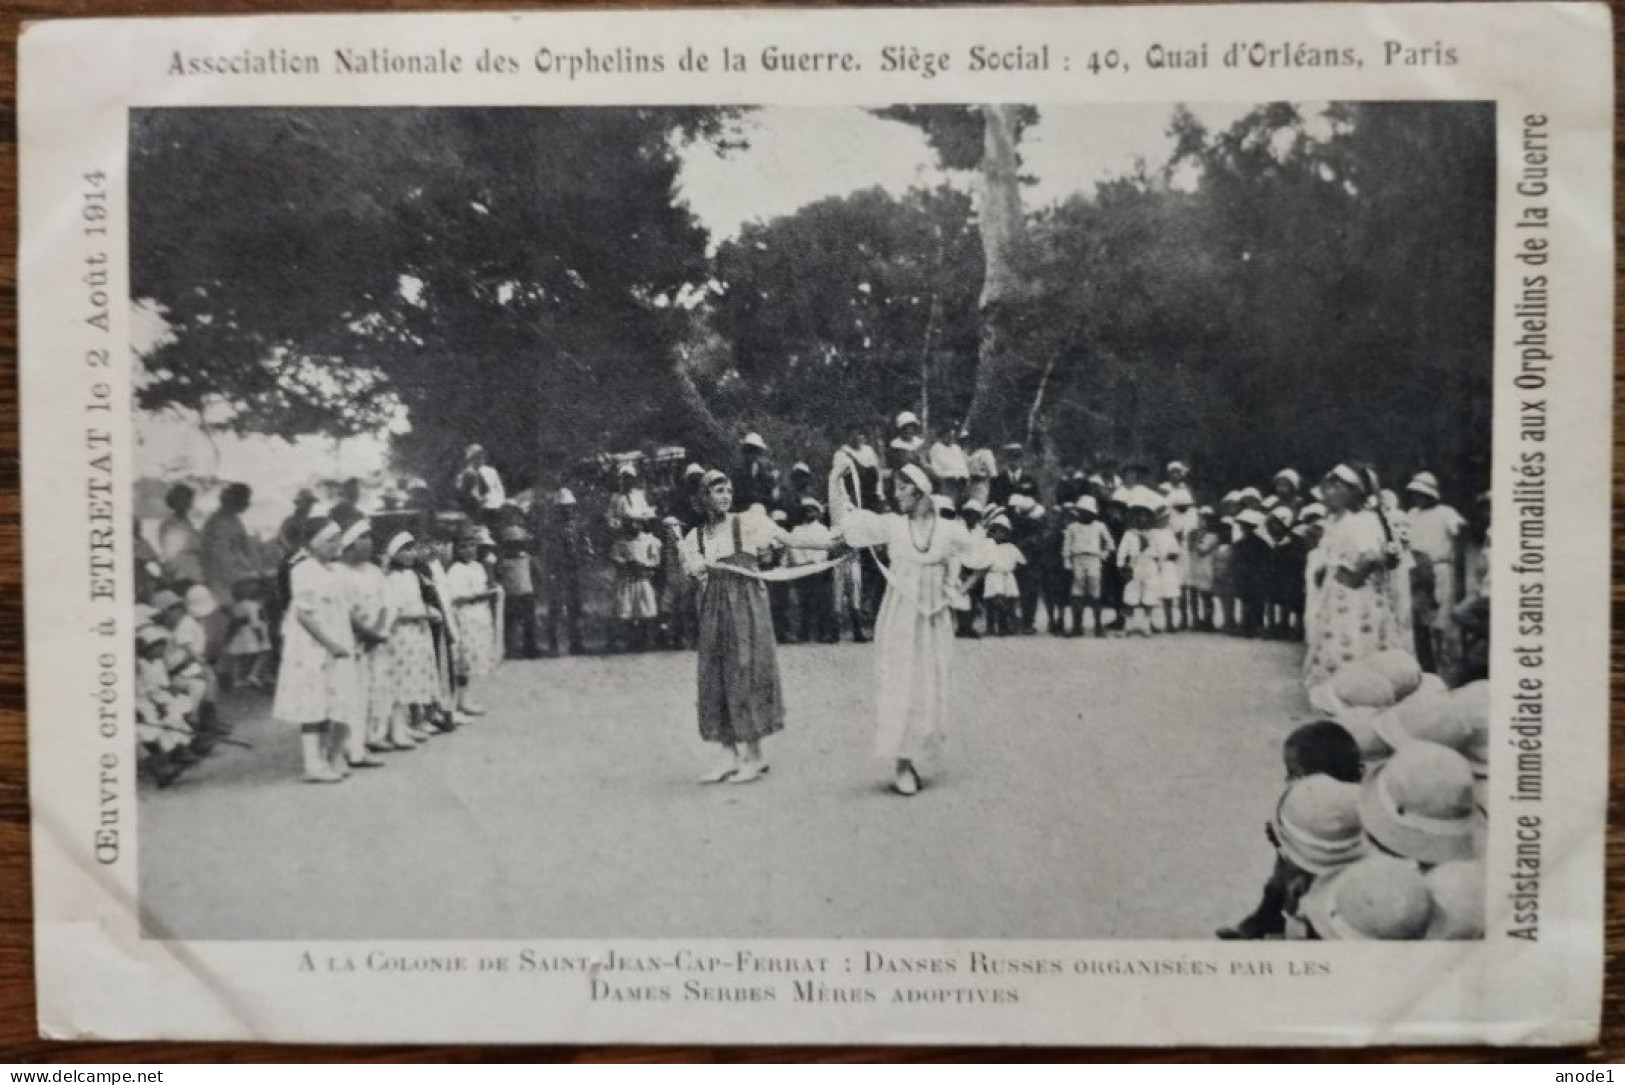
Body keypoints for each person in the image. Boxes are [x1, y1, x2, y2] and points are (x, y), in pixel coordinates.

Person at [832, 463, 974, 796]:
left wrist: (958, 590)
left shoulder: (949, 530)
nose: (894, 495)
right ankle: (902, 763)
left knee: (928, 683)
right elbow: (845, 524)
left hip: (933, 620)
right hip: (899, 618)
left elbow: (983, 557)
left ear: (919, 490)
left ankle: (915, 754)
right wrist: (834, 479)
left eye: (900, 487)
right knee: (900, 683)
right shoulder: (892, 526)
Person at [678, 471, 800, 785]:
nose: (725, 496)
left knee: (745, 670)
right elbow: (692, 573)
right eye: (718, 491)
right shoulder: (696, 537)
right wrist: (693, 567)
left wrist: (838, 540)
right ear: (704, 497)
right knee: (715, 675)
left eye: (728, 490)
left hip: (746, 606)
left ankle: (756, 755)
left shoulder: (747, 524)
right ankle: (729, 755)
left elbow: (789, 539)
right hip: (713, 609)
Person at [1304, 464, 1413, 700]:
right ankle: (1339, 690)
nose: (1329, 494)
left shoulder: (1362, 520)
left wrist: (1353, 577)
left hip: (1355, 597)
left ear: (1353, 492)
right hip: (1340, 592)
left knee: (1353, 638)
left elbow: (1372, 555)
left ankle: (1354, 693)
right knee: (1340, 638)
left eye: (1336, 488)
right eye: (1328, 488)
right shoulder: (1342, 520)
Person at [271, 519, 361, 783]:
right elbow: (304, 616)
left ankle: (330, 756)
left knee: (335, 700)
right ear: (315, 544)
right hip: (312, 646)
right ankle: (312, 763)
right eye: (330, 540)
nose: (337, 545)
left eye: (338, 539)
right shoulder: (303, 570)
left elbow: (343, 609)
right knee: (313, 703)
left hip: (336, 640)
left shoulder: (334, 571)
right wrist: (330, 645)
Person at [335, 520, 387, 769]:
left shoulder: (374, 571)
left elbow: (385, 603)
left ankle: (365, 741)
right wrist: (364, 633)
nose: (369, 544)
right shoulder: (338, 573)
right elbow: (343, 610)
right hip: (350, 640)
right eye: (362, 540)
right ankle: (349, 748)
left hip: (373, 640)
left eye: (370, 539)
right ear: (349, 544)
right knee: (349, 695)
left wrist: (377, 630)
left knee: (369, 691)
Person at [1405, 471, 1465, 670]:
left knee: (1440, 615)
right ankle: (1424, 656)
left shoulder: (1445, 512)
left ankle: (1441, 653)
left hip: (1439, 567)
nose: (1418, 498)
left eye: (1422, 494)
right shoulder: (1411, 514)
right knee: (1419, 613)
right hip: (1417, 570)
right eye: (1415, 493)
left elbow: (1459, 531)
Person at [382, 534, 438, 746]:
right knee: (402, 678)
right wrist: (421, 616)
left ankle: (414, 722)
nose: (411, 553)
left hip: (417, 632)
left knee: (417, 674)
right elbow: (395, 612)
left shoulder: (412, 576)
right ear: (394, 554)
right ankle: (399, 728)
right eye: (405, 549)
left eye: (412, 549)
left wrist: (425, 612)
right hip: (402, 633)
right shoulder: (393, 579)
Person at [449, 529, 500, 711]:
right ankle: (458, 700)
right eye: (464, 547)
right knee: (463, 661)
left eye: (472, 545)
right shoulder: (456, 570)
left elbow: (487, 586)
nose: (469, 550)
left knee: (471, 661)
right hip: (465, 617)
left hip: (479, 617)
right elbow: (456, 597)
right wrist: (477, 596)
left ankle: (465, 698)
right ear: (456, 549)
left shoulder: (478, 567)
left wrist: (490, 574)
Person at [543, 488, 590, 655]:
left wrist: (585, 557)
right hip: (558, 570)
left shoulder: (578, 526)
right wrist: (550, 570)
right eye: (563, 508)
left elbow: (586, 546)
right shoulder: (552, 529)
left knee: (575, 607)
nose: (566, 511)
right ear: (557, 510)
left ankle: (576, 642)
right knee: (556, 607)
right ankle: (554, 644)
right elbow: (548, 551)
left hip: (574, 569)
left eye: (569, 507)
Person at [787, 498, 838, 645]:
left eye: (812, 509)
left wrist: (815, 562)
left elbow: (825, 549)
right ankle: (803, 633)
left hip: (818, 570)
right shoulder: (797, 530)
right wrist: (802, 563)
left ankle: (823, 633)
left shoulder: (822, 530)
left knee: (821, 602)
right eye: (806, 510)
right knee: (804, 602)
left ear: (817, 513)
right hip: (802, 570)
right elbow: (793, 548)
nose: (808, 512)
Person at [1063, 496, 1113, 637]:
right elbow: (1066, 546)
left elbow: (1110, 544)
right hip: (1077, 559)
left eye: (1088, 512)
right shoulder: (1072, 527)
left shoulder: (1099, 526)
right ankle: (1077, 626)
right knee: (1076, 592)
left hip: (1093, 560)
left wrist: (1103, 555)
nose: (1085, 515)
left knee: (1095, 592)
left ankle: (1098, 626)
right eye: (1083, 512)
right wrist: (1067, 562)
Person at [201, 482, 258, 605]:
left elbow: (244, 550)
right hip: (221, 583)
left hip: (234, 576)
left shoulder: (233, 519)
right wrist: (249, 574)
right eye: (245, 499)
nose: (247, 503)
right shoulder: (219, 522)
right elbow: (222, 560)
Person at [610, 516, 661, 652]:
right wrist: (627, 564)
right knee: (627, 609)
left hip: (642, 579)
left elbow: (655, 560)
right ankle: (630, 640)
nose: (633, 525)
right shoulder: (621, 542)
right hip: (627, 580)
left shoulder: (649, 540)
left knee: (644, 609)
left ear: (641, 523)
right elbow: (616, 559)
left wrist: (644, 566)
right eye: (629, 522)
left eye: (636, 522)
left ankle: (644, 640)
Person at [496, 525, 540, 659]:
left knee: (530, 623)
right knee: (509, 623)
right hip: (510, 595)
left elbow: (536, 573)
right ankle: (510, 649)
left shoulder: (528, 558)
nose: (515, 548)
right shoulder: (503, 560)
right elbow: (498, 575)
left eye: (518, 544)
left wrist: (536, 589)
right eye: (511, 544)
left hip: (526, 594)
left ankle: (530, 648)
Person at [224, 579, 273, 689]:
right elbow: (255, 622)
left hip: (241, 632)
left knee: (240, 657)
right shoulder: (254, 605)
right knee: (264, 653)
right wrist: (260, 637)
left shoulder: (237, 605)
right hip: (252, 633)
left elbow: (234, 621)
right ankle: (254, 675)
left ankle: (237, 679)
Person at [158, 484, 205, 584]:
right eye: (185, 499)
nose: (189, 502)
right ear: (176, 501)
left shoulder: (186, 522)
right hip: (181, 573)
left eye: (190, 499)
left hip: (192, 567)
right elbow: (172, 555)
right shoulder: (170, 524)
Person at [455, 444, 507, 524]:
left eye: (482, 456)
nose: (480, 459)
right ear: (470, 459)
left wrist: (497, 503)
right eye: (476, 457)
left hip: (494, 507)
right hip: (475, 511)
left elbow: (499, 491)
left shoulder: (491, 472)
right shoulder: (464, 475)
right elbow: (463, 495)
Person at [928, 423, 970, 504]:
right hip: (945, 484)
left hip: (959, 484)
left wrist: (964, 477)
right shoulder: (936, 448)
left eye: (952, 435)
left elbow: (962, 465)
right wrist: (949, 476)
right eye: (948, 435)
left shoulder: (956, 448)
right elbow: (936, 469)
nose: (950, 438)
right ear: (942, 435)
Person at [733, 432, 776, 512]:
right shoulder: (738, 470)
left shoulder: (764, 470)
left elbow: (768, 492)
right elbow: (736, 493)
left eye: (756, 451)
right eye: (749, 450)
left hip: (760, 510)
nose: (753, 454)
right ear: (745, 451)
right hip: (742, 509)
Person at [277, 489, 317, 558]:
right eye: (307, 502)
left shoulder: (310, 523)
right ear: (299, 504)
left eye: (311, 503)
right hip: (294, 560)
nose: (309, 506)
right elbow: (282, 540)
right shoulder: (290, 521)